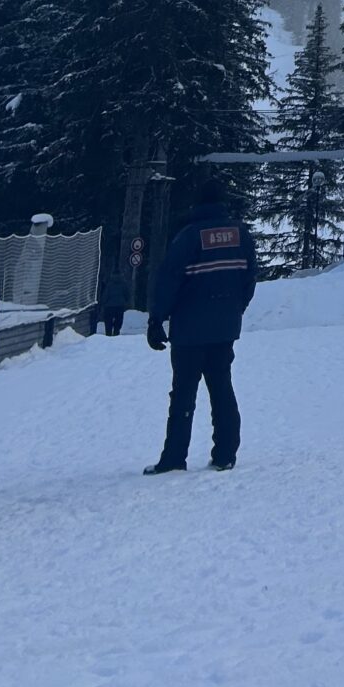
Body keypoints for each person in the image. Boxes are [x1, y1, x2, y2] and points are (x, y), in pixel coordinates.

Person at [144, 178, 258, 475]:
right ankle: (226, 454)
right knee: (222, 387)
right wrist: (235, 309)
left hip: (189, 331)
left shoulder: (189, 236)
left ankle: (174, 458)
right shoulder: (240, 234)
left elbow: (169, 279)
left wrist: (157, 318)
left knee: (183, 393)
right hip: (224, 328)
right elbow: (249, 279)